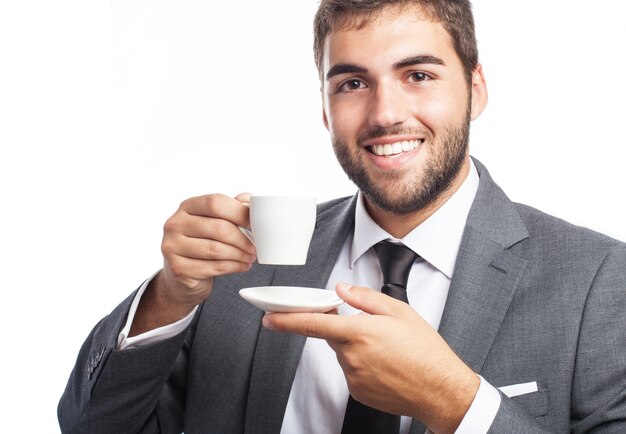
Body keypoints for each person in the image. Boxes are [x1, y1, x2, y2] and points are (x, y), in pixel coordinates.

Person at [58, 0, 626, 433]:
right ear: (325, 111)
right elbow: (91, 425)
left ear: (475, 90)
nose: (384, 113)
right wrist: (169, 296)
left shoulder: (599, 280)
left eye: (419, 75)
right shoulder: (240, 268)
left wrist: (456, 402)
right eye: (352, 83)